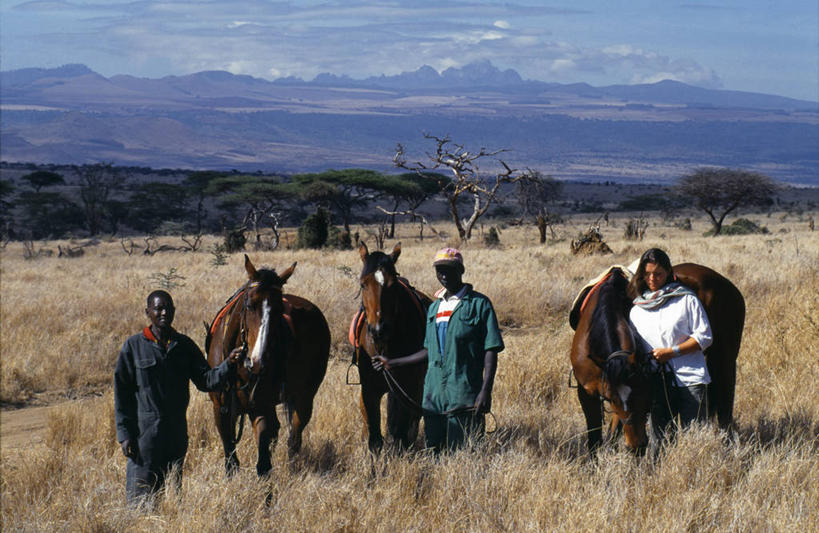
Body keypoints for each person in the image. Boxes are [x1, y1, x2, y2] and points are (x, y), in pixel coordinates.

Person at [114, 290, 243, 504]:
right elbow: (122, 394)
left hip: (176, 436)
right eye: (158, 308)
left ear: (174, 311)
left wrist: (228, 364)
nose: (164, 312)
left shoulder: (183, 346)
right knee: (140, 504)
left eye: (168, 308)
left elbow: (206, 381)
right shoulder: (133, 347)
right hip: (144, 438)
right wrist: (125, 434)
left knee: (172, 500)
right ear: (148, 312)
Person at [372, 247, 504, 452]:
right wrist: (392, 363)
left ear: (461, 270)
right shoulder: (434, 308)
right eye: (439, 270)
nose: (443, 275)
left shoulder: (480, 304)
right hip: (434, 397)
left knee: (466, 457)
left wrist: (485, 391)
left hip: (465, 393)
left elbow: (491, 350)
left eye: (449, 269)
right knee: (435, 453)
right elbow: (429, 351)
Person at [627, 248, 713, 449]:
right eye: (647, 274)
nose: (652, 279)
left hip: (690, 378)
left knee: (696, 439)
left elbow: (705, 337)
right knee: (660, 440)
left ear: (668, 272)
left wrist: (671, 352)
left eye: (658, 274)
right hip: (657, 383)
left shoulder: (686, 300)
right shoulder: (636, 310)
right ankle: (658, 477)